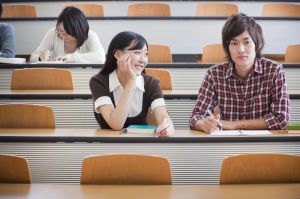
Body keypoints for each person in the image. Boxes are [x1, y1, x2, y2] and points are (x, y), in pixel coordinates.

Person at [190, 13, 290, 133]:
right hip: (228, 146)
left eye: (246, 42)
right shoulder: (214, 74)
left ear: (257, 45)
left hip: (264, 144)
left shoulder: (274, 70)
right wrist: (204, 124)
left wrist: (236, 124)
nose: (241, 49)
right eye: (234, 43)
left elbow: (281, 118)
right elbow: (196, 116)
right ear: (228, 47)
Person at [90, 31, 174, 136]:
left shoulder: (151, 83)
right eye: (137, 52)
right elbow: (116, 124)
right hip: (109, 146)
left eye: (146, 54)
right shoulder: (98, 82)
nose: (143, 60)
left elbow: (162, 116)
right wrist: (131, 82)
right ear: (118, 54)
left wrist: (167, 126)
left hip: (141, 145)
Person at [30, 6, 105, 63]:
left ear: (77, 30)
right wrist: (40, 57)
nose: (62, 35)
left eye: (66, 33)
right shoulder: (53, 33)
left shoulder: (90, 36)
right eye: (60, 31)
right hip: (58, 75)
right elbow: (32, 57)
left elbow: (101, 58)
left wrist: (68, 58)